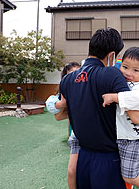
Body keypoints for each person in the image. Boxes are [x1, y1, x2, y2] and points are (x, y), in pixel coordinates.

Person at [59, 28, 139, 189]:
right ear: (112, 55)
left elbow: (60, 115)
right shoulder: (111, 75)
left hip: (83, 158)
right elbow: (138, 118)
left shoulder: (67, 80)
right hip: (109, 160)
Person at [102, 47, 139, 189]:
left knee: (129, 176)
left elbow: (138, 98)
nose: (128, 73)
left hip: (133, 140)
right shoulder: (125, 81)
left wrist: (115, 97)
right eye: (125, 67)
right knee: (135, 167)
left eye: (136, 70)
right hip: (125, 136)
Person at [45, 61, 80, 189]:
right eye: (70, 75)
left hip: (92, 135)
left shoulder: (88, 88)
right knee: (72, 171)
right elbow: (57, 116)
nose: (74, 78)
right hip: (77, 136)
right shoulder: (64, 94)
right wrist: (63, 103)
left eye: (77, 73)